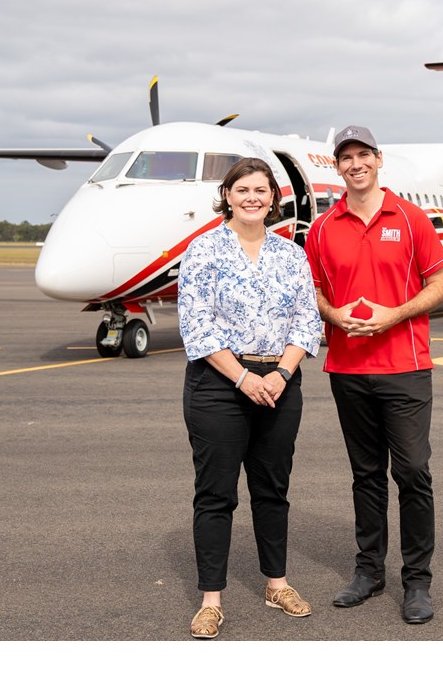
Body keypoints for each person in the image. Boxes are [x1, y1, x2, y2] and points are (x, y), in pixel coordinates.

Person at [304, 125, 443, 624]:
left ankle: (417, 581)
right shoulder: (323, 228)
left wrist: (395, 314)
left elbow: (442, 284)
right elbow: (316, 293)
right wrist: (332, 313)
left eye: (362, 154)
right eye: (346, 157)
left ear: (378, 159)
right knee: (365, 475)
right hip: (346, 368)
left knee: (411, 471)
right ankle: (369, 571)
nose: (355, 164)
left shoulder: (410, 219)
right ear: (338, 167)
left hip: (405, 367)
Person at [178, 157, 323, 639]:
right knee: (216, 493)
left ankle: (276, 583)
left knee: (272, 489)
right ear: (228, 195)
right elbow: (196, 326)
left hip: (279, 380)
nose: (252, 198)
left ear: (272, 199)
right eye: (243, 190)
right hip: (220, 381)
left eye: (261, 190)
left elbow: (307, 320)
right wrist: (243, 379)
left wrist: (282, 372)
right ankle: (211, 600)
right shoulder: (203, 251)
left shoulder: (291, 254)